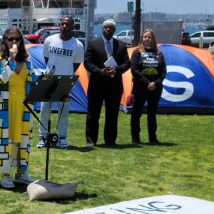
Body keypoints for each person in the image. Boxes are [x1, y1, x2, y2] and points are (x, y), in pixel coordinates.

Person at [0, 26, 35, 189]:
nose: (14, 42)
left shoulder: (28, 58)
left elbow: (31, 79)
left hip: (23, 106)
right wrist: (12, 60)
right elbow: (2, 79)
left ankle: (21, 172)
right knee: (5, 139)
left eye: (17, 39)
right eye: (10, 39)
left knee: (22, 138)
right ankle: (4, 174)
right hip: (5, 106)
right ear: (5, 41)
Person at [37, 16, 84, 149]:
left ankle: (62, 137)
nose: (64, 26)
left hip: (65, 81)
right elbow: (46, 59)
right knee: (45, 109)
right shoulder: (50, 40)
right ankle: (43, 136)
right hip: (49, 78)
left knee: (63, 110)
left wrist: (65, 73)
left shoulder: (78, 45)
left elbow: (76, 65)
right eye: (62, 24)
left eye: (67, 24)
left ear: (73, 27)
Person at [83, 19, 131, 147]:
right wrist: (100, 71)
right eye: (106, 27)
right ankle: (91, 140)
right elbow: (87, 63)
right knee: (93, 114)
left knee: (112, 114)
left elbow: (127, 63)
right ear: (102, 29)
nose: (108, 29)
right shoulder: (93, 44)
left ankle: (110, 140)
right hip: (97, 84)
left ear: (114, 30)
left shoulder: (121, 45)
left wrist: (116, 69)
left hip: (114, 85)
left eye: (110, 28)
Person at [130, 28, 167, 145]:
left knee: (152, 113)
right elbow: (134, 70)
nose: (147, 39)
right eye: (145, 37)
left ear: (153, 39)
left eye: (149, 37)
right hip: (141, 87)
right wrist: (147, 82)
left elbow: (164, 71)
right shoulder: (137, 52)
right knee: (136, 113)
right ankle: (135, 137)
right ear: (142, 38)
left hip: (156, 88)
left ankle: (152, 137)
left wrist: (155, 83)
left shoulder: (159, 53)